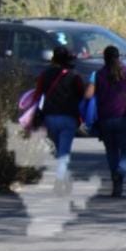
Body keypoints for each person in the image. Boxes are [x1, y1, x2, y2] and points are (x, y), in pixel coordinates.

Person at [35, 46, 90, 192]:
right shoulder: (74, 76)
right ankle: (60, 180)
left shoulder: (45, 75)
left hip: (50, 117)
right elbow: (82, 95)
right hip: (69, 118)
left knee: (59, 149)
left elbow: (37, 95)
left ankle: (65, 178)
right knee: (64, 151)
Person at [92, 46, 126, 197]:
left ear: (104, 58)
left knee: (111, 151)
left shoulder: (98, 74)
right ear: (118, 57)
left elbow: (91, 95)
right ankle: (120, 173)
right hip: (125, 116)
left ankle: (117, 184)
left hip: (105, 117)